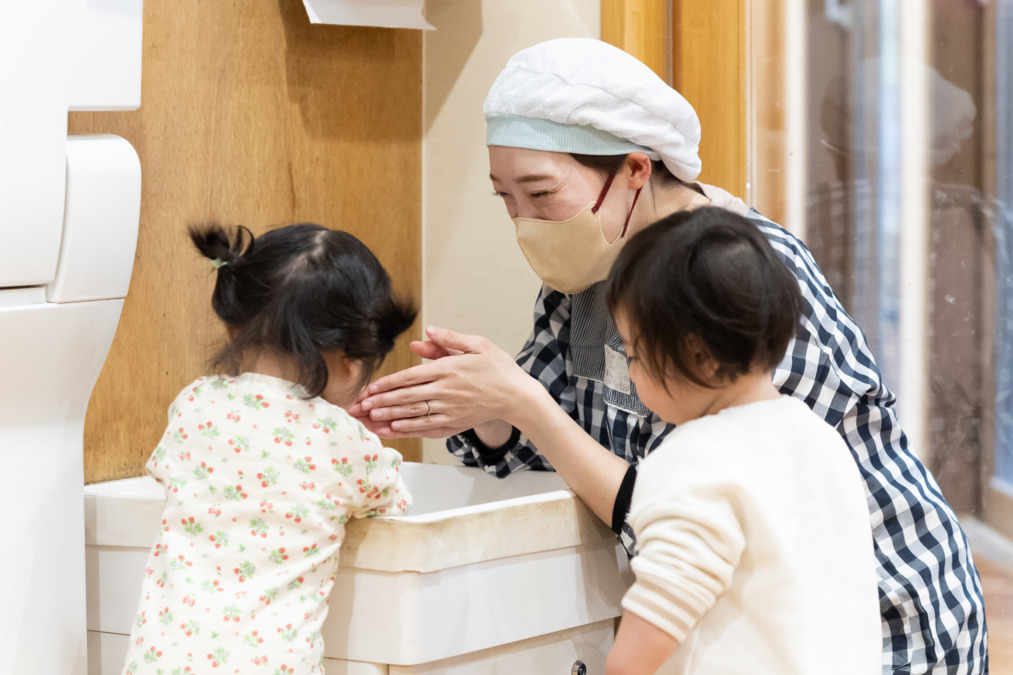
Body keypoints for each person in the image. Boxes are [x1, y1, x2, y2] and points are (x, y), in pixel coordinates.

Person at [350, 38, 988, 672]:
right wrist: (485, 409)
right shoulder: (590, 268)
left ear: (634, 171)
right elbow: (555, 446)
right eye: (505, 198)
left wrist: (526, 404)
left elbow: (671, 499)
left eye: (541, 195)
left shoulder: (739, 275)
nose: (526, 222)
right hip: (731, 616)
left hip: (878, 623)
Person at [122, 223, 416, 675]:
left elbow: (166, 470)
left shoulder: (194, 405)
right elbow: (392, 500)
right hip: (272, 664)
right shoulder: (345, 442)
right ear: (355, 354)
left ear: (230, 328)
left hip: (161, 659)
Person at [602, 206, 881, 674]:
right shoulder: (818, 437)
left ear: (698, 355)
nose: (630, 372)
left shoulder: (693, 460)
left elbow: (660, 611)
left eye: (633, 354)